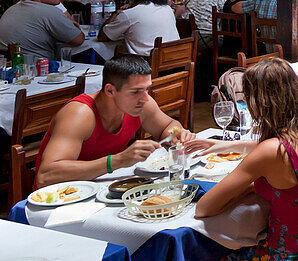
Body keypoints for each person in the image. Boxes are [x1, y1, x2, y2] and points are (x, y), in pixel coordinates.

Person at [196, 59, 298, 261]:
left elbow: (204, 208)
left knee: (199, 249)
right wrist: (220, 145)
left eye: (247, 98)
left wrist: (250, 188)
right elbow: (275, 148)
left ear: (260, 103)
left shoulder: (270, 151)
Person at [35, 55, 193, 187]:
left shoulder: (141, 103)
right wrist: (117, 161)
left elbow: (168, 125)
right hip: (59, 197)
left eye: (147, 89)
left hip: (99, 186)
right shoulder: (80, 114)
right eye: (135, 91)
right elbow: (46, 175)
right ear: (110, 90)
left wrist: (175, 135)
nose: (145, 98)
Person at [0, 0, 85, 62]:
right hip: (35, 67)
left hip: (7, 66)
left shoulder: (12, 8)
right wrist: (75, 26)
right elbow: (78, 40)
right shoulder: (50, 11)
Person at [100, 0, 180, 57]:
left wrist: (117, 12)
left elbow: (103, 36)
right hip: (172, 61)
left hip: (145, 65)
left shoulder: (129, 14)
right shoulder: (168, 9)